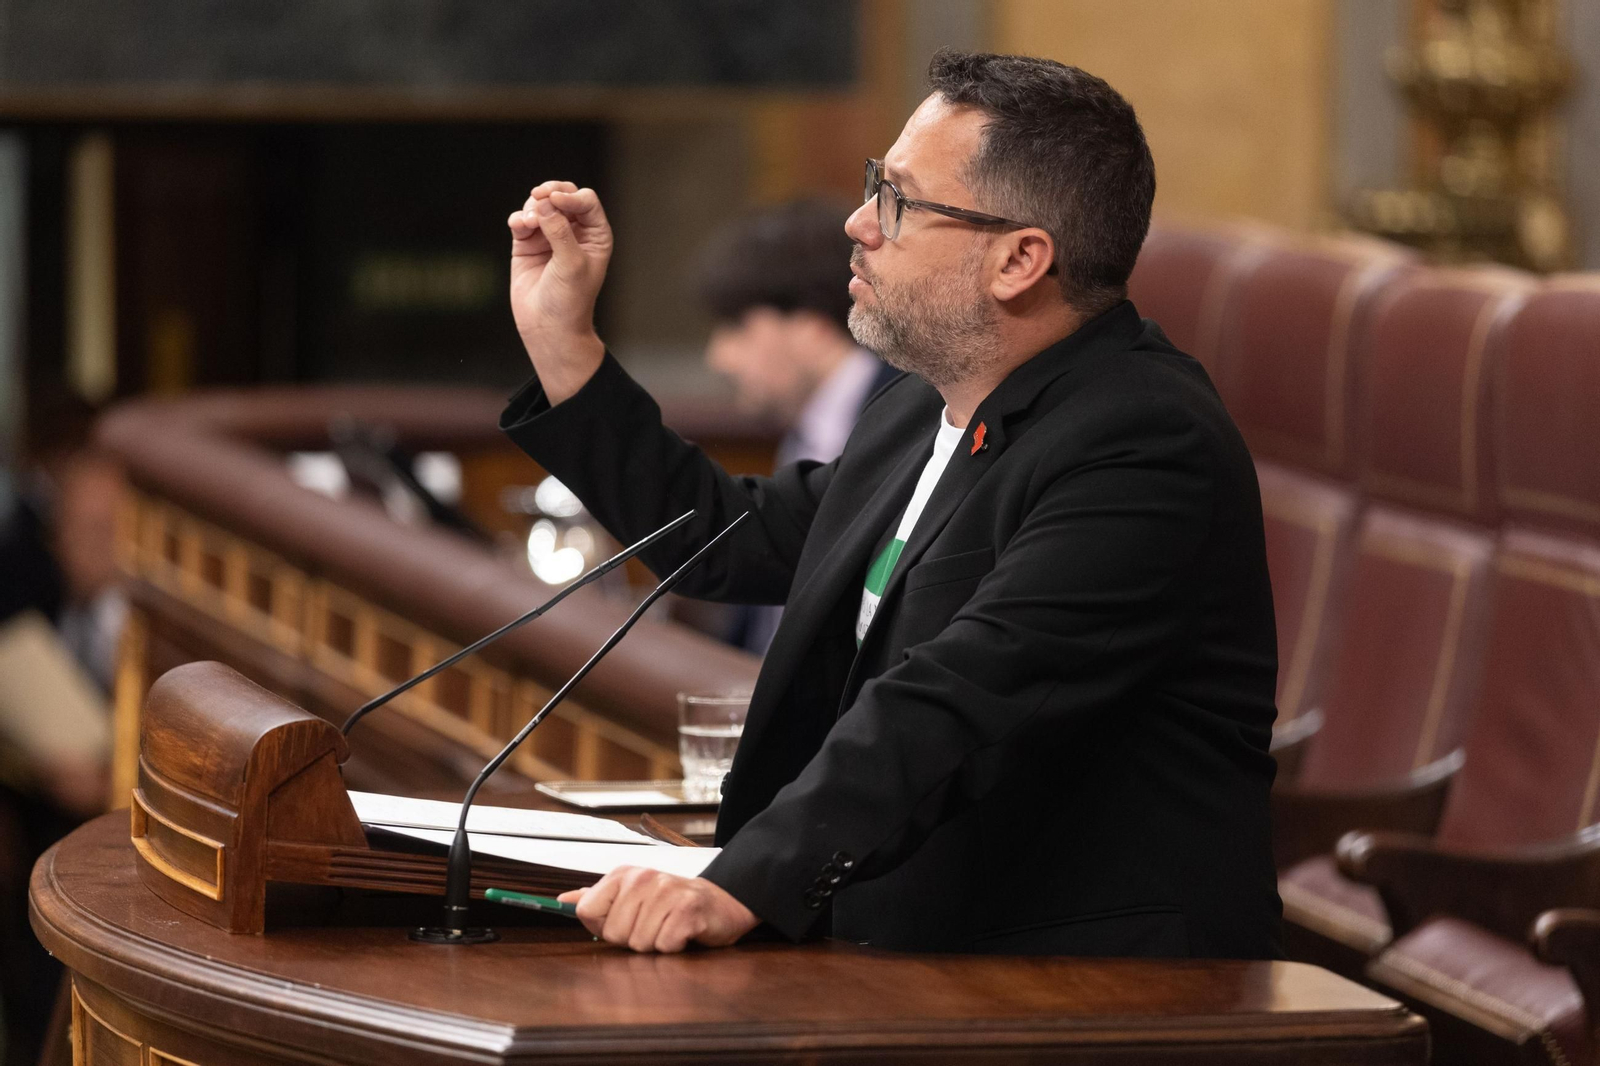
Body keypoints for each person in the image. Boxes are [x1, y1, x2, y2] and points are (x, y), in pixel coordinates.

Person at [501, 51, 1281, 958]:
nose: (859, 223)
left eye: (899, 201)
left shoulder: (1145, 445)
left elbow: (959, 697)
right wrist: (565, 345)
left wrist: (737, 883)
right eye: (877, 184)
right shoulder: (922, 402)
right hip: (915, 953)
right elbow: (722, 538)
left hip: (1086, 990)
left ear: (1020, 259)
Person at [694, 199, 900, 652]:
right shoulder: (801, 429)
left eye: (739, 328)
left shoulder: (907, 424)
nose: (719, 357)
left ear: (811, 327)